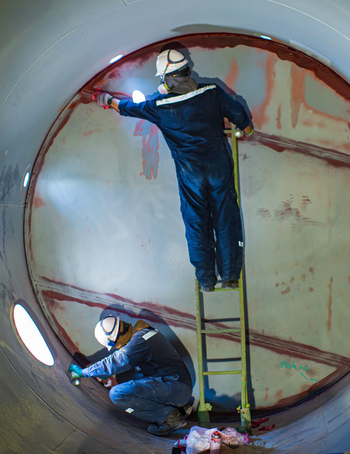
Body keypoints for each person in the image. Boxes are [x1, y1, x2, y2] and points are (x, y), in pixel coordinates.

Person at [94, 49, 254, 292]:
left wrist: (106, 99)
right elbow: (239, 114)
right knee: (226, 218)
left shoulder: (158, 105)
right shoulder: (211, 93)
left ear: (167, 77)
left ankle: (207, 281)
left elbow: (126, 107)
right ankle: (230, 275)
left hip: (191, 176)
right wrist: (247, 129)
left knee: (197, 224)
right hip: (218, 167)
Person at [69, 316, 193, 436]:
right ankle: (179, 409)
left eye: (112, 346)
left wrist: (84, 372)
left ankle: (169, 418)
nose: (113, 349)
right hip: (175, 385)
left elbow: (113, 363)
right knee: (127, 384)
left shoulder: (139, 341)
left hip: (177, 388)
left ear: (116, 339)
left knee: (117, 394)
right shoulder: (143, 334)